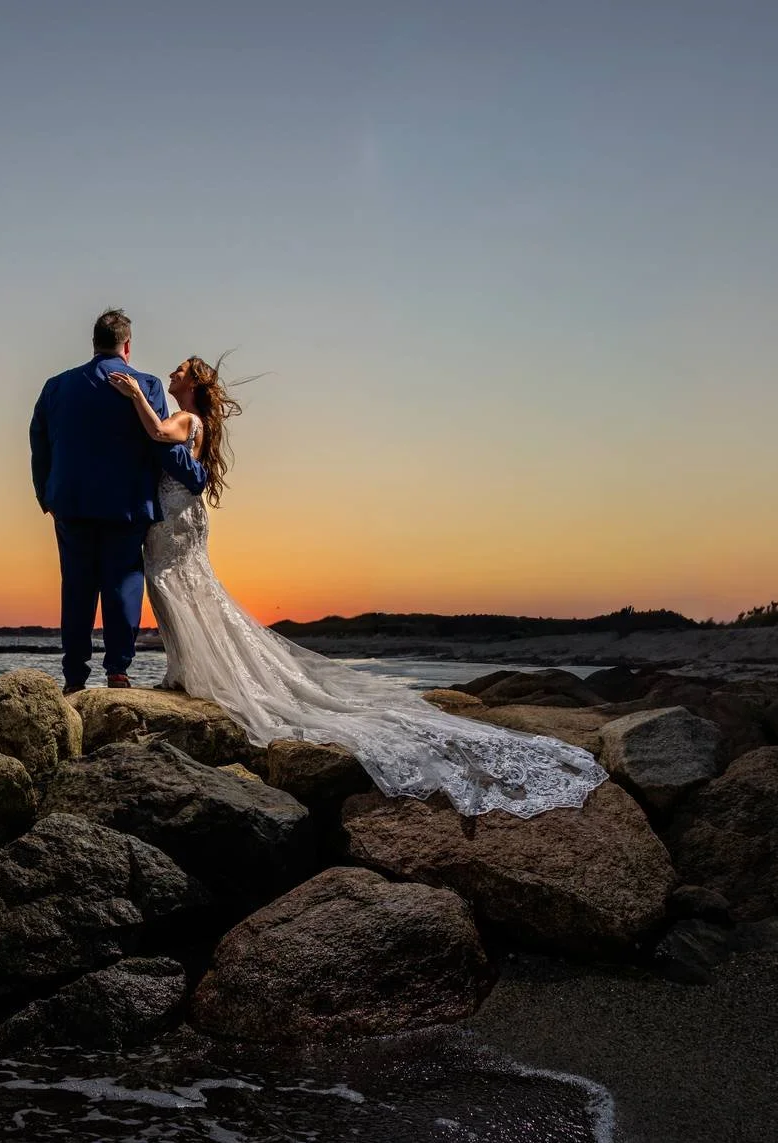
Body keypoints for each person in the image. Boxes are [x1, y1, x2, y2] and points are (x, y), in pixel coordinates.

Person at [104, 356, 606, 818]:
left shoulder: (186, 419)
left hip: (173, 517)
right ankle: (189, 669)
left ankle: (187, 671)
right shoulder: (205, 425)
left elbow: (156, 431)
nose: (169, 374)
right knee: (188, 588)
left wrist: (133, 396)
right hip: (187, 516)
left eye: (178, 371)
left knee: (170, 584)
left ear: (191, 384)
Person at [29, 309, 207, 695]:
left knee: (76, 587)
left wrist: (46, 495)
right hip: (127, 503)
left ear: (94, 342)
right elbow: (158, 443)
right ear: (127, 345)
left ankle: (74, 676)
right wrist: (195, 474)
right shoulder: (144, 384)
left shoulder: (56, 387)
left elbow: (38, 442)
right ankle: (118, 671)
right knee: (123, 584)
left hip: (71, 503)